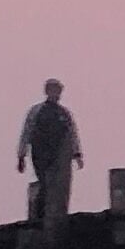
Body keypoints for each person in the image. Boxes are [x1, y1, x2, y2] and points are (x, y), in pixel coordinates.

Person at [16, 78, 83, 220]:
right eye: (53, 90)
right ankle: (40, 214)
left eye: (58, 91)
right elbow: (26, 132)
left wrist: (77, 154)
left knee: (59, 186)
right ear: (47, 91)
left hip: (59, 155)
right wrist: (21, 156)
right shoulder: (36, 111)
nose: (56, 94)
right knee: (45, 183)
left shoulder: (64, 113)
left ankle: (55, 214)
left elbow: (72, 134)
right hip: (40, 153)